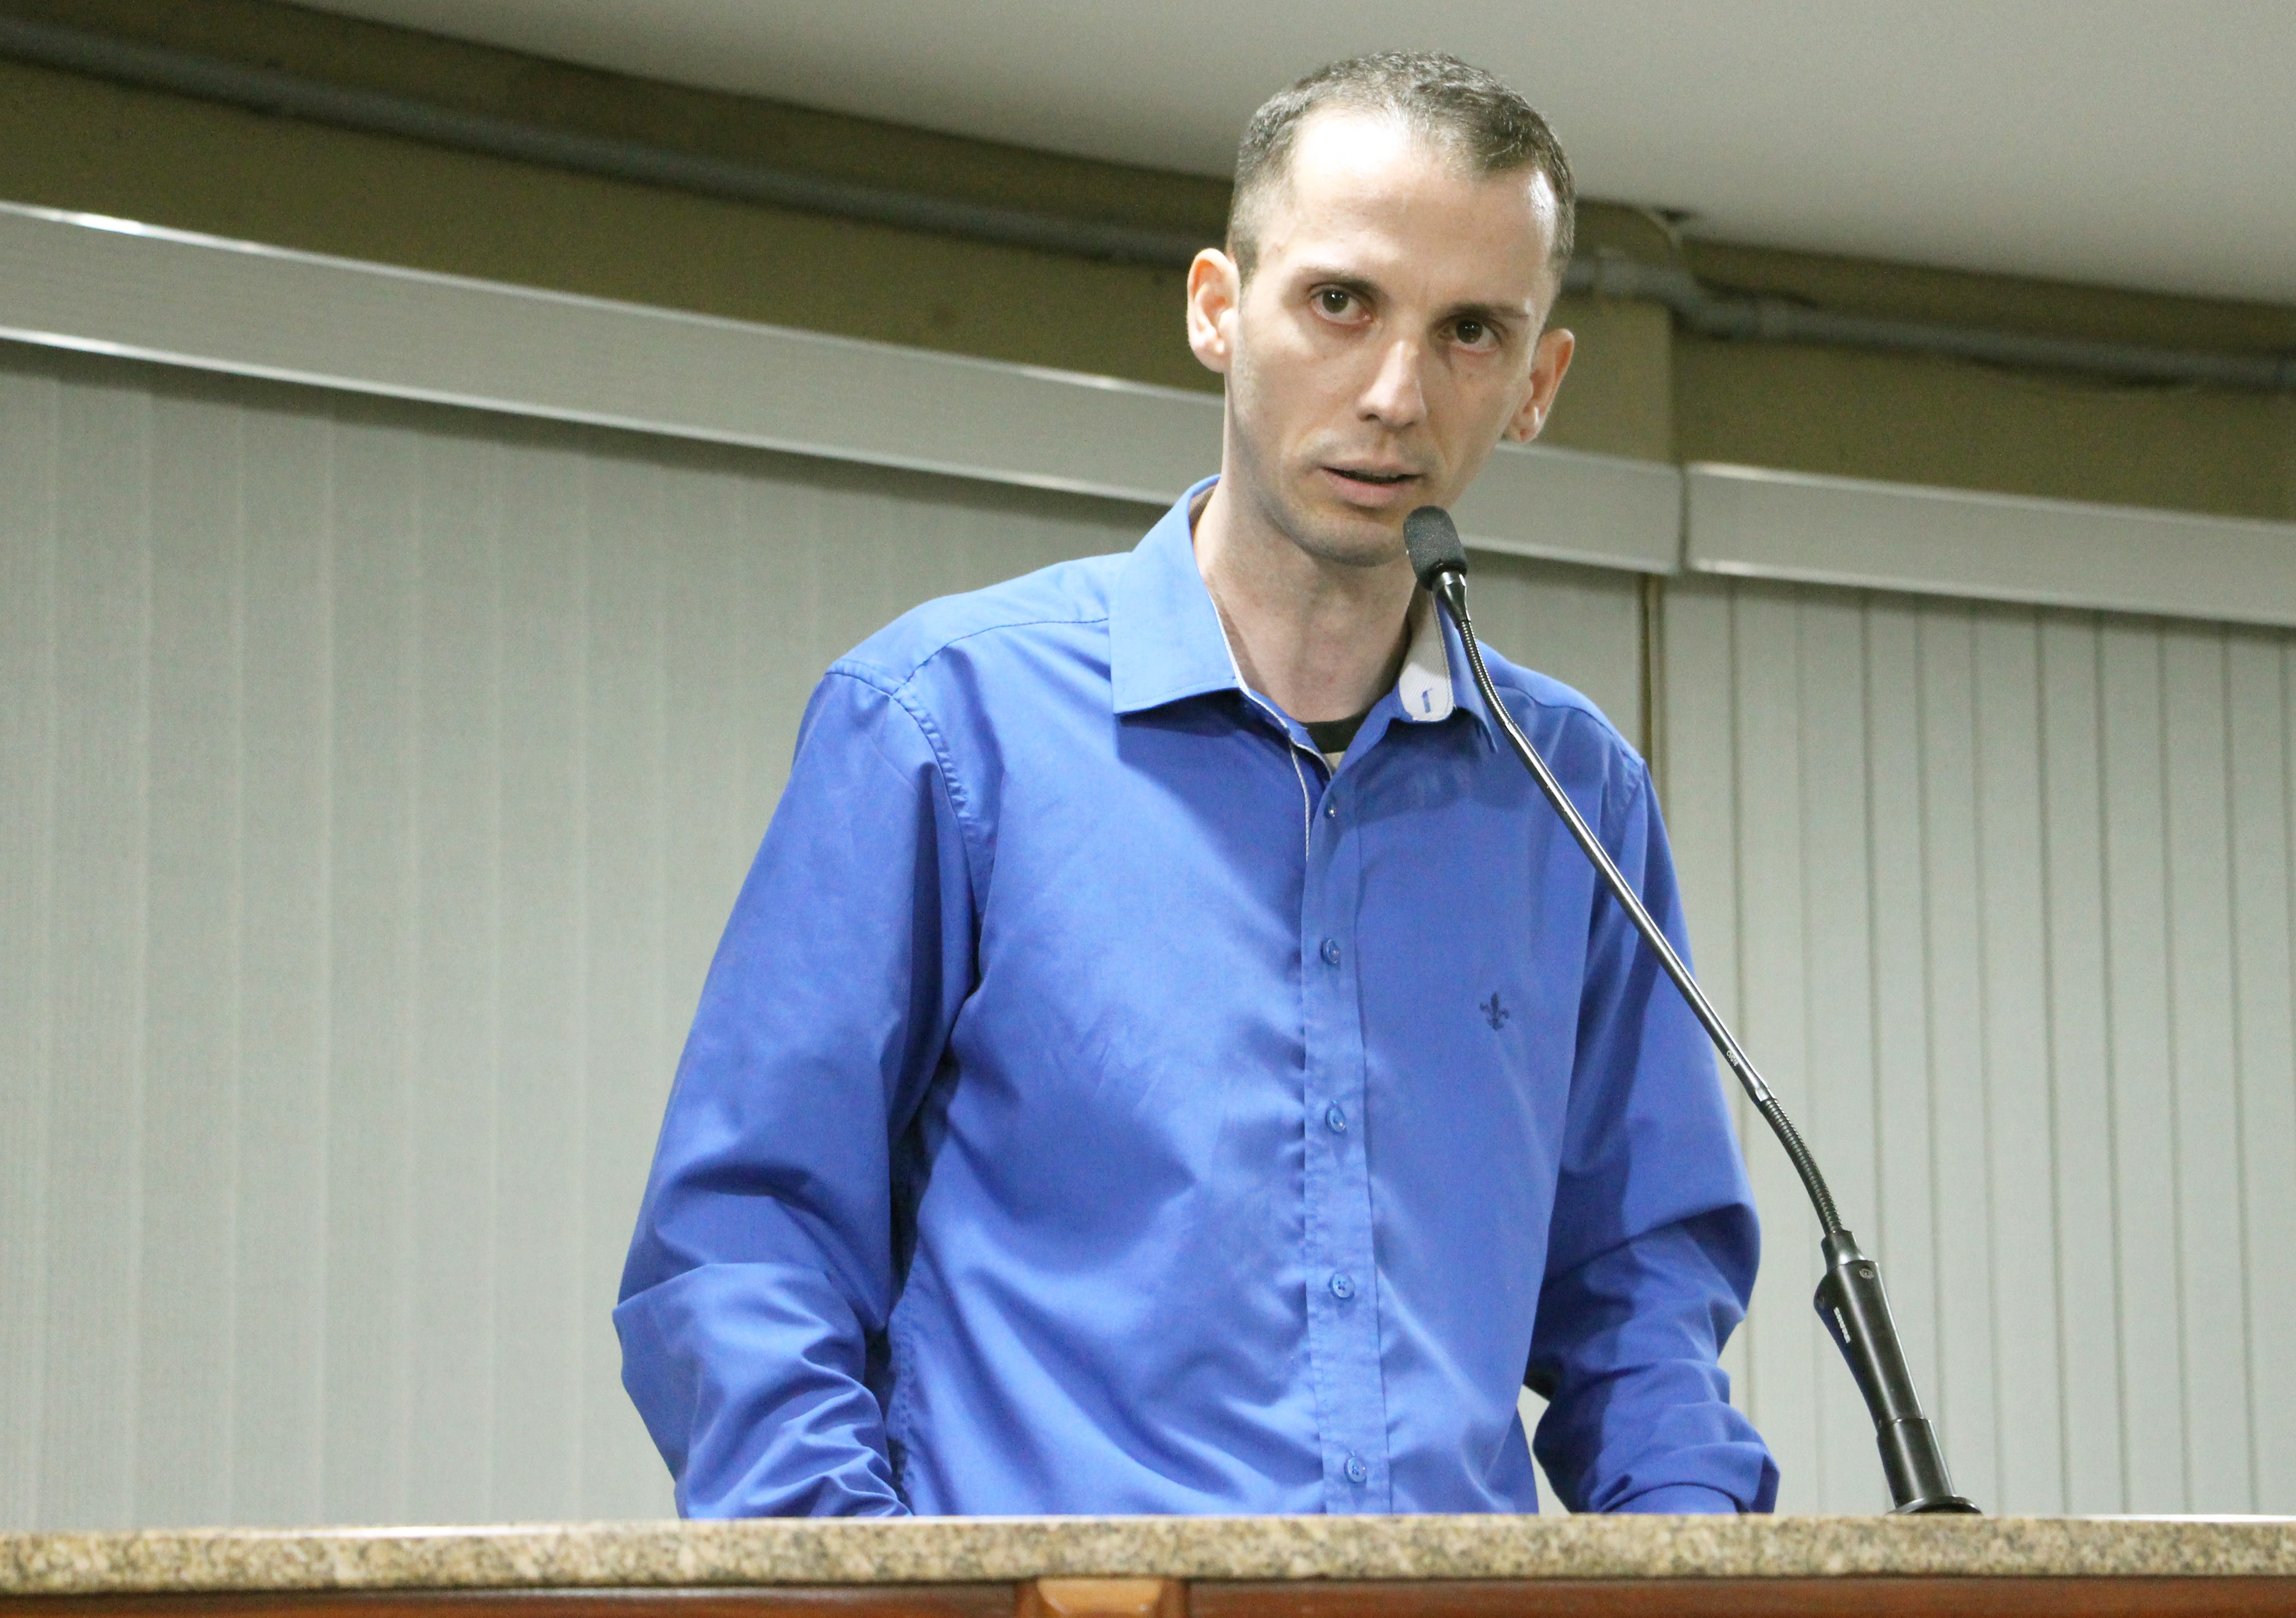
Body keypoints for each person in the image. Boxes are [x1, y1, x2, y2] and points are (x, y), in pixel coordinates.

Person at [616, 51, 1776, 1518]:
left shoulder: (1574, 796)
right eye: (1340, 302)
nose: (1396, 394)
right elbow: (745, 1254)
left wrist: (1690, 1569)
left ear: (1536, 384)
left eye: (1470, 331)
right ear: (1217, 308)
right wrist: (876, 1597)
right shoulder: (942, 724)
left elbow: (1641, 1306)